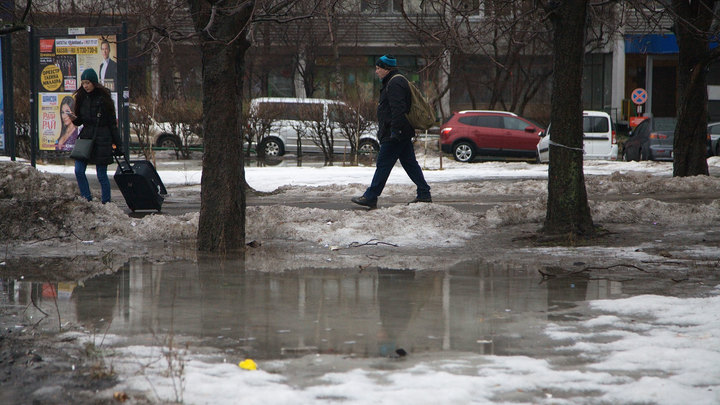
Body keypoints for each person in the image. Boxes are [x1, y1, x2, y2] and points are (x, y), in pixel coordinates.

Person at [351, 55, 431, 209]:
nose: (376, 72)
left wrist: (395, 131)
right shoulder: (394, 81)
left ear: (386, 69)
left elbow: (398, 109)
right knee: (409, 164)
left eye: (378, 68)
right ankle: (424, 193)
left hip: (395, 133)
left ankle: (371, 196)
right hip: (399, 132)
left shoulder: (395, 83)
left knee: (383, 164)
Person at [69, 68, 122, 204]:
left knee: (101, 174)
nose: (85, 86)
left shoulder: (104, 98)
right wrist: (74, 119)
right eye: (83, 83)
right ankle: (87, 199)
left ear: (94, 82)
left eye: (87, 82)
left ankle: (106, 203)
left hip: (102, 138)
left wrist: (118, 144)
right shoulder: (81, 97)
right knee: (79, 170)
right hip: (86, 138)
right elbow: (80, 120)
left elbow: (111, 123)